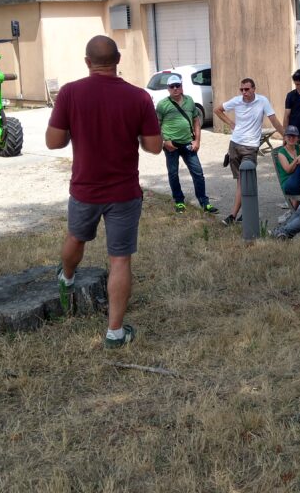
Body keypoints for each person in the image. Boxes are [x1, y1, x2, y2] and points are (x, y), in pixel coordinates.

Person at [47, 36, 161, 349]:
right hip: (124, 191)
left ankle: (67, 277)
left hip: (85, 188)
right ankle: (114, 332)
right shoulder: (138, 97)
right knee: (120, 259)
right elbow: (153, 147)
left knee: (76, 237)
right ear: (118, 59)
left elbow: (53, 143)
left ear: (87, 62)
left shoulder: (70, 93)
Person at [214, 78, 286, 225]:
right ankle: (245, 213)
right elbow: (217, 110)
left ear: (254, 89)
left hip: (250, 147)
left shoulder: (262, 101)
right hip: (234, 144)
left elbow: (274, 120)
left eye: (247, 89)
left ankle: (233, 215)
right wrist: (230, 123)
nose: (244, 92)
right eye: (242, 90)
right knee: (241, 181)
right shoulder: (236, 101)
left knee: (245, 180)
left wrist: (286, 136)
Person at [156, 73, 217, 215]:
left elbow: (196, 121)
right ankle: (179, 202)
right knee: (173, 174)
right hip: (171, 145)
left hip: (188, 142)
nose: (176, 88)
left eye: (178, 85)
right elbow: (156, 125)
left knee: (198, 173)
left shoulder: (189, 101)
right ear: (168, 89)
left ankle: (204, 203)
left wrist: (197, 141)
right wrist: (165, 141)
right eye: (172, 86)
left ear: (182, 87)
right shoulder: (162, 104)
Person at [274, 125, 300, 206]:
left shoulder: (299, 147)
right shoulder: (281, 153)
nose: (291, 138)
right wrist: (297, 159)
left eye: (294, 136)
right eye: (289, 136)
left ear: (297, 138)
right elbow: (288, 170)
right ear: (285, 137)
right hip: (289, 184)